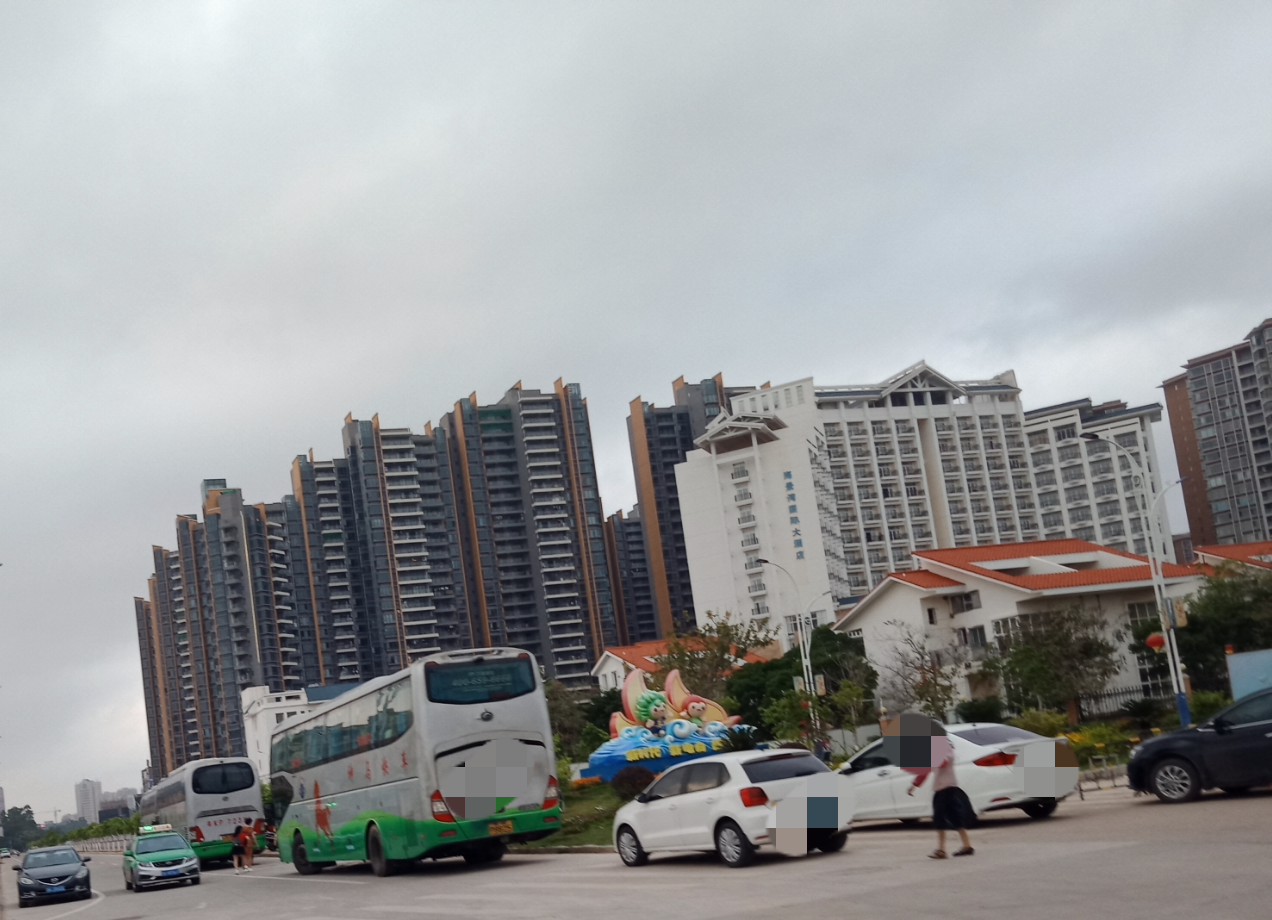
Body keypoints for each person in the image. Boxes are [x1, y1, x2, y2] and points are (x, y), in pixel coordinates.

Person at [908, 737, 974, 859]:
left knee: (940, 818)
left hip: (943, 789)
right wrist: (915, 785)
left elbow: (942, 762)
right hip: (949, 788)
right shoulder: (945, 748)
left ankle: (942, 850)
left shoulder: (943, 749)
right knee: (955, 817)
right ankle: (966, 845)